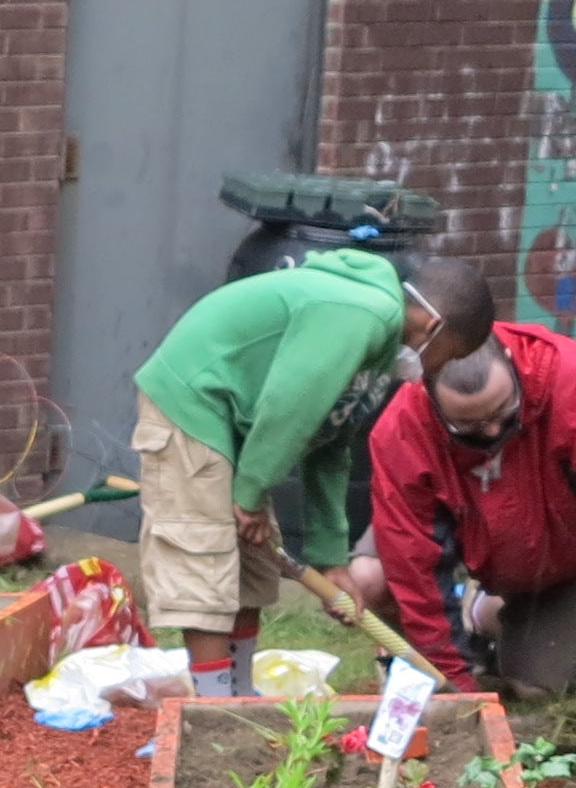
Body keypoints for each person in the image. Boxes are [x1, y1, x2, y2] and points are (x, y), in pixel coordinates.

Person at [130, 251, 495, 692]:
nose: (431, 371)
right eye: (446, 357)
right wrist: (250, 493)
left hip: (243, 424)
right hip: (193, 401)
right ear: (433, 327)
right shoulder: (360, 315)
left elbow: (332, 442)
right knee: (205, 552)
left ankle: (240, 695)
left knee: (251, 560)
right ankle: (215, 713)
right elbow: (290, 406)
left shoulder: (378, 343)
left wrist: (330, 557)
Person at [347, 319, 576, 702]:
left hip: (554, 552)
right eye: (471, 425)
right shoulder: (403, 429)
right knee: (369, 576)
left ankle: (484, 614)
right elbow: (413, 564)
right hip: (457, 525)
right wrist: (453, 680)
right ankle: (416, 657)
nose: (492, 432)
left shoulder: (571, 380)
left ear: (511, 365)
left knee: (537, 690)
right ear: (429, 395)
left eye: (503, 413)